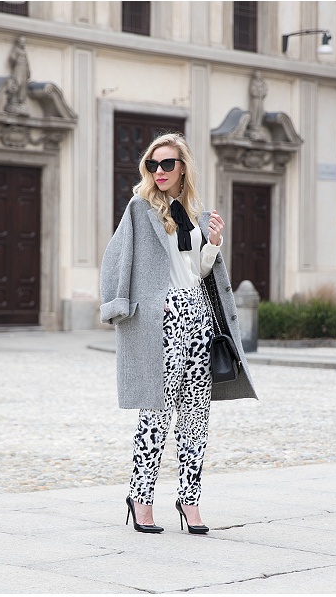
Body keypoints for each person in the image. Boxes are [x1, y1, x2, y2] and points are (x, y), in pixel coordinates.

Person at [100, 133, 257, 535]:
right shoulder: (140, 208)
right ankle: (141, 498)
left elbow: (199, 273)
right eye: (153, 165)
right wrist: (127, 305)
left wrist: (214, 244)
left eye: (167, 164)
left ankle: (189, 501)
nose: (160, 172)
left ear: (183, 167)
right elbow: (114, 258)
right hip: (162, 321)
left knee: (195, 417)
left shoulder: (193, 211)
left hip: (199, 317)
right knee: (155, 412)